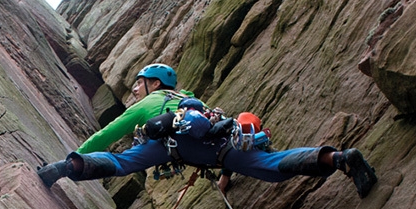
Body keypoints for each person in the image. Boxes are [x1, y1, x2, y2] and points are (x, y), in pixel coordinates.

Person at [37, 63, 378, 198]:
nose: (136, 90)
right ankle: (341, 159)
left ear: (154, 83)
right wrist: (226, 178)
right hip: (217, 144)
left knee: (123, 162)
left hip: (166, 146)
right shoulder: (190, 98)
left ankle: (66, 168)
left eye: (140, 84)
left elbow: (105, 137)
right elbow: (211, 129)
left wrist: (79, 149)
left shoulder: (148, 104)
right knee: (273, 168)